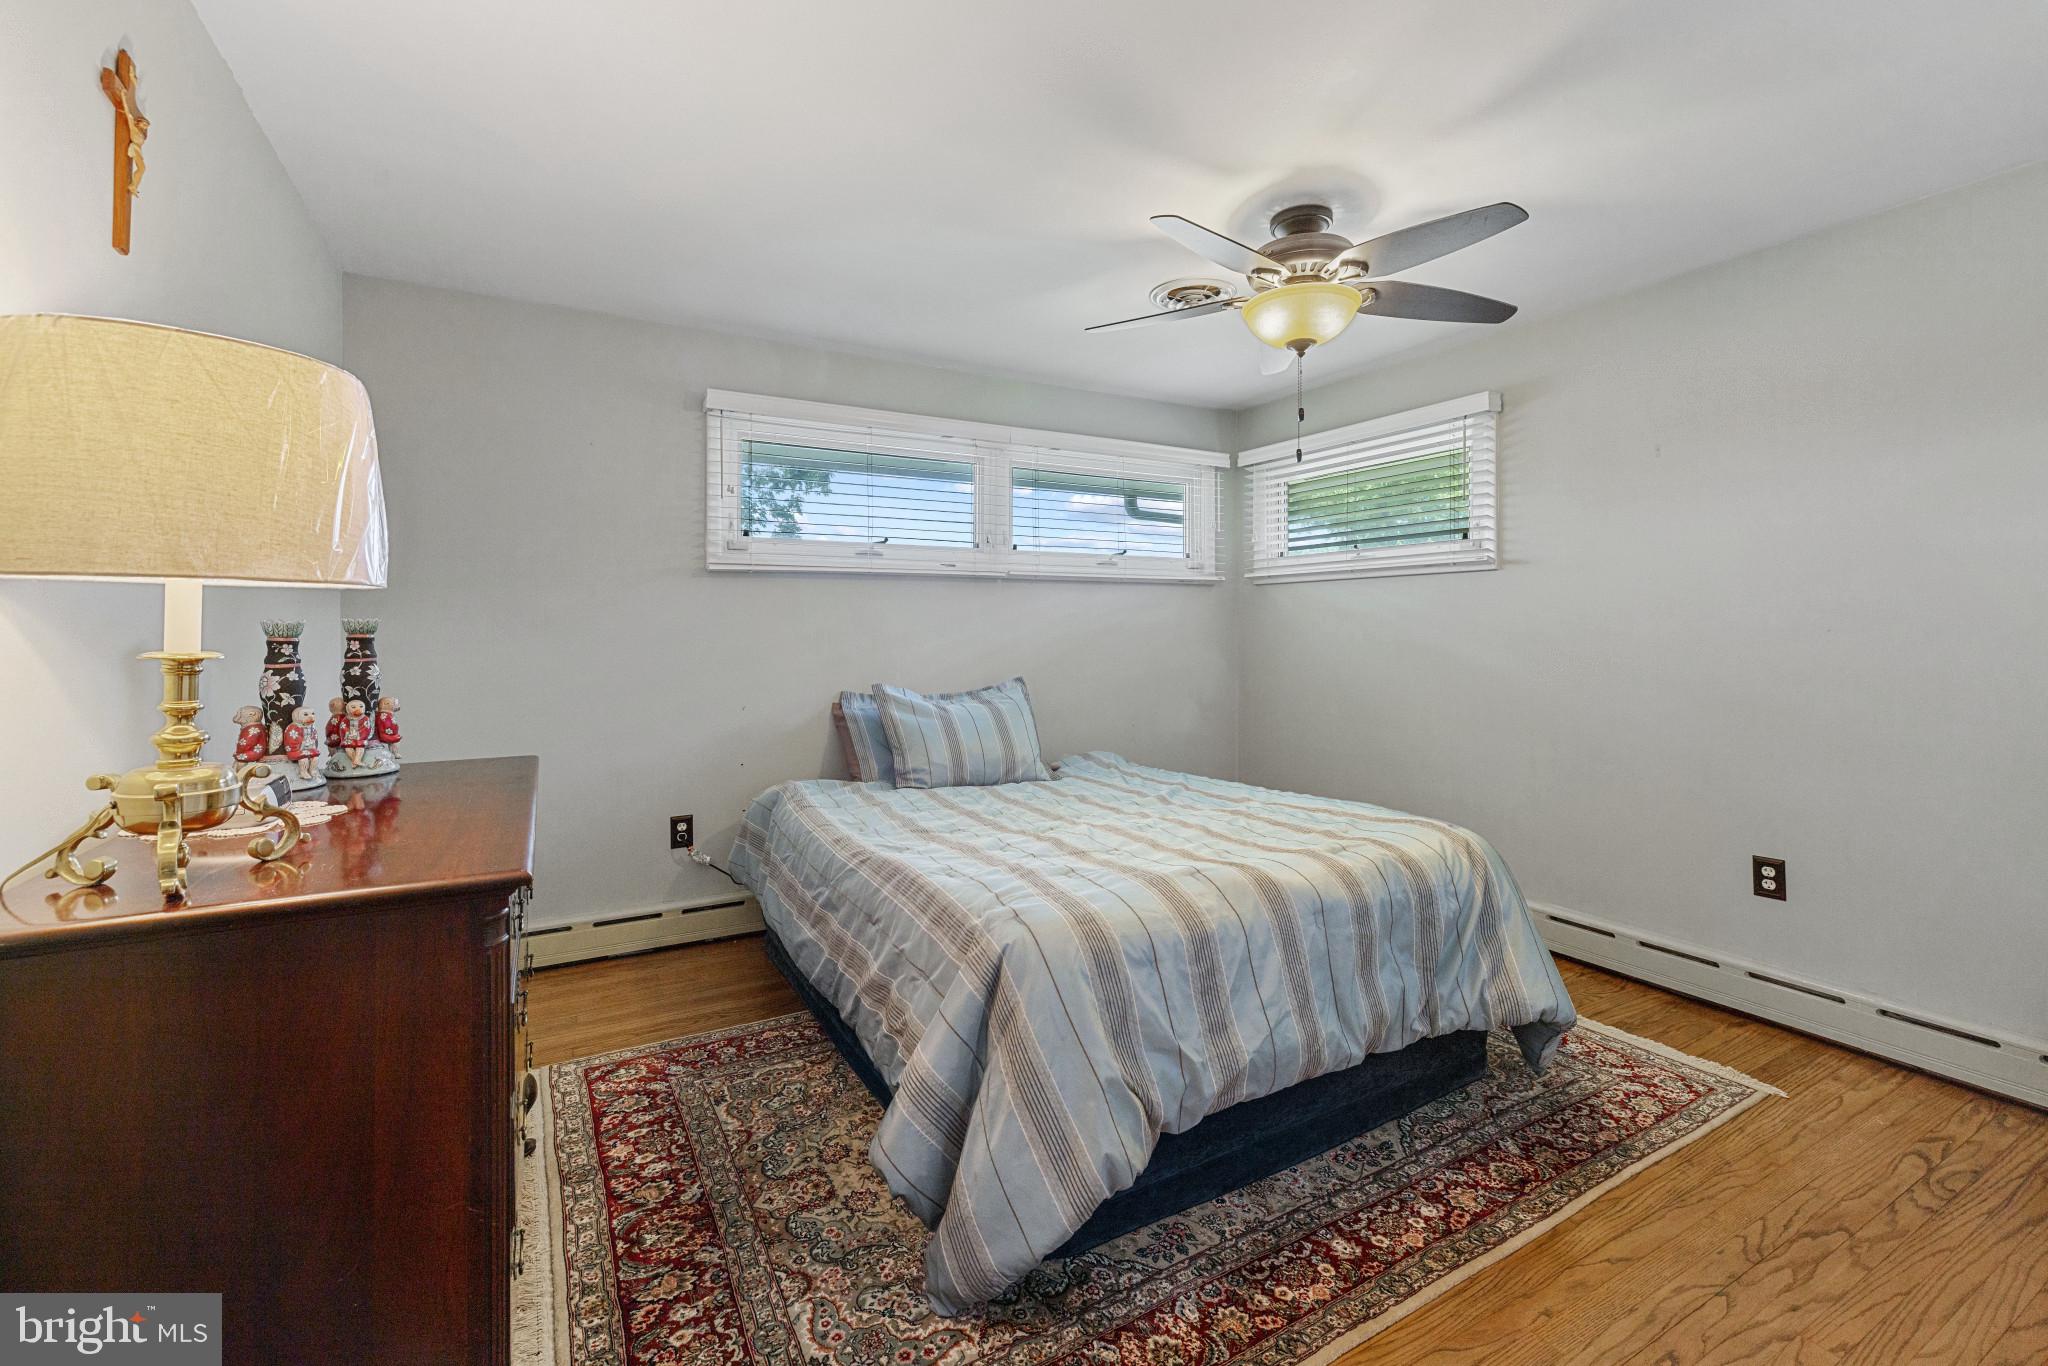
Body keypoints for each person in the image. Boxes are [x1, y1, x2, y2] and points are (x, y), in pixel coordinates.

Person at [281, 706, 322, 782]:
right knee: (304, 759)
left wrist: (312, 744)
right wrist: (303, 743)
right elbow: (292, 740)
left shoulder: (312, 727)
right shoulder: (293, 727)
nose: (311, 717)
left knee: (315, 758)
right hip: (297, 749)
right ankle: (303, 772)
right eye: (305, 714)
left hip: (309, 748)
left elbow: (315, 738)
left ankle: (313, 771)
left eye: (313, 714)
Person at [339, 699, 373, 769]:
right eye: (353, 707)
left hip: (360, 738)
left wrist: (359, 735)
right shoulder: (346, 719)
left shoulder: (365, 718)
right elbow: (343, 728)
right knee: (348, 747)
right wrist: (348, 734)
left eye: (361, 706)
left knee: (360, 746)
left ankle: (356, 760)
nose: (358, 709)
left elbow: (366, 728)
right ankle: (355, 760)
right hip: (349, 737)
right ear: (348, 710)